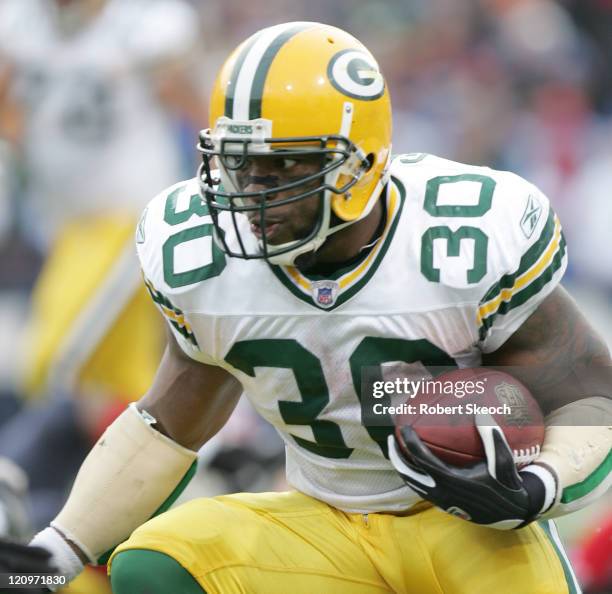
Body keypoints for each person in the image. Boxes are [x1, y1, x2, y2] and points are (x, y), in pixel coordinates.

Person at [9, 21, 611, 594]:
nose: (255, 193)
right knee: (155, 562)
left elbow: (591, 391)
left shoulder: (461, 236)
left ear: (362, 162)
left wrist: (537, 483)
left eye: (285, 165)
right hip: (322, 520)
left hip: (468, 531)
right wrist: (54, 554)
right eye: (241, 163)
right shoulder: (201, 255)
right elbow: (169, 423)